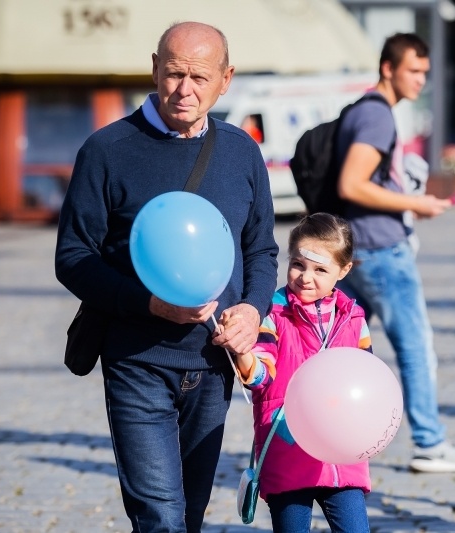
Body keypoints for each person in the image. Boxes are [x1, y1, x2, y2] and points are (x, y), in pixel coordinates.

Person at [54, 22, 279, 533]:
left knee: (192, 515)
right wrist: (148, 304)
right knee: (160, 517)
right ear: (154, 67)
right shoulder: (107, 149)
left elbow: (261, 248)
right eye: (174, 73)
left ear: (226, 79)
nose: (185, 89)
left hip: (214, 362)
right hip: (137, 361)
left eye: (200, 77)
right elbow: (72, 256)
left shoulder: (242, 152)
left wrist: (252, 308)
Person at [334, 32, 455, 473]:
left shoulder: (361, 110)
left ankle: (330, 435)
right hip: (382, 250)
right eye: (413, 71)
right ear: (388, 69)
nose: (420, 80)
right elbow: (351, 184)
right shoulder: (377, 117)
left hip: (359, 248)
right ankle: (430, 443)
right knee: (415, 347)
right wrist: (417, 203)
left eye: (425, 73)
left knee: (346, 351)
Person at [231, 213, 373, 532]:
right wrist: (243, 352)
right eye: (298, 264)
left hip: (341, 459)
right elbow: (260, 377)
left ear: (344, 270)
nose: (306, 277)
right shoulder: (272, 313)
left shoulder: (354, 319)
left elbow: (368, 385)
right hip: (288, 453)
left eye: (320, 269)